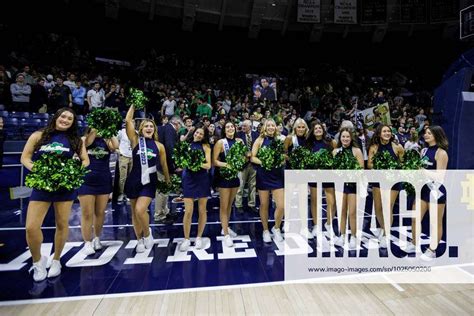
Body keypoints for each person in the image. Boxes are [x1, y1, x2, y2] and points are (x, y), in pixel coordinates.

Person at [21, 108, 90, 281]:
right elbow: (25, 158)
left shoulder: (75, 140)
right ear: (56, 117)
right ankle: (37, 262)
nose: (65, 120)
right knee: (31, 227)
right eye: (63, 116)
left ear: (73, 122)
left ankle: (57, 259)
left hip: (64, 188)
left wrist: (72, 173)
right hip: (42, 186)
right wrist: (40, 171)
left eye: (69, 118)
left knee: (61, 224)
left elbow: (85, 160)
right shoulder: (39, 135)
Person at [124, 104, 170, 253]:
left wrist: (168, 180)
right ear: (141, 129)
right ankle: (139, 240)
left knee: (140, 210)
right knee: (134, 212)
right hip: (133, 180)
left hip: (149, 182)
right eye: (146, 126)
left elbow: (164, 165)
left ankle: (148, 234)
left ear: (154, 129)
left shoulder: (159, 146)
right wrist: (133, 105)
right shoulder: (136, 140)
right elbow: (128, 120)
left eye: (151, 126)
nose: (149, 128)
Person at [406, 126, 448, 258]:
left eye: (429, 133)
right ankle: (414, 242)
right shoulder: (423, 150)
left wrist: (422, 171)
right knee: (414, 218)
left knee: (435, 223)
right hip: (423, 190)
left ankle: (432, 250)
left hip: (436, 192)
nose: (426, 135)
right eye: (425, 133)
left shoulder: (441, 153)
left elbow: (440, 177)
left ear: (437, 135)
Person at [78, 128, 118, 255]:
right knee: (87, 213)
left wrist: (109, 129)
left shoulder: (106, 141)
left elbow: (116, 145)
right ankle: (87, 242)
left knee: (100, 212)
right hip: (86, 180)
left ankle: (97, 238)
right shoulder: (84, 139)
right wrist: (96, 128)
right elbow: (88, 143)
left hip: (103, 179)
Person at [368, 124, 404, 248]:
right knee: (378, 208)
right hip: (378, 180)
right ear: (379, 133)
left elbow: (403, 164)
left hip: (393, 182)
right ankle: (383, 228)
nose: (387, 133)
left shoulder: (398, 147)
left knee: (387, 207)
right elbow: (369, 165)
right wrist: (381, 167)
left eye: (388, 131)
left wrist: (393, 169)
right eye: (384, 131)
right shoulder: (374, 147)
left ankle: (386, 234)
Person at [251, 119, 285, 243]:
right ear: (265, 127)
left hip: (277, 176)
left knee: (281, 205)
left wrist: (279, 160)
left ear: (276, 127)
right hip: (263, 175)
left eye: (273, 125)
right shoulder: (259, 140)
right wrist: (264, 162)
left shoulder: (281, 139)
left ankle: (276, 228)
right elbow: (252, 157)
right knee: (264, 204)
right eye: (268, 125)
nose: (271, 127)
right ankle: (265, 230)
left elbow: (285, 156)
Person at [180, 126, 212, 251]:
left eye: (201, 134)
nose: (198, 135)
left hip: (202, 179)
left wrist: (195, 163)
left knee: (202, 210)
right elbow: (181, 162)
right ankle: (186, 239)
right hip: (188, 179)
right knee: (188, 211)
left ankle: (199, 237)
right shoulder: (186, 145)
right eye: (197, 132)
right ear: (194, 132)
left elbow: (208, 165)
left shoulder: (206, 147)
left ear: (204, 136)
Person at [212, 121, 244, 247]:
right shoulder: (220, 143)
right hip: (223, 177)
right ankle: (225, 234)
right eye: (227, 127)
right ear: (224, 130)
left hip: (234, 177)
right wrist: (227, 165)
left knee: (230, 205)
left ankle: (225, 227)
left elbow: (243, 157)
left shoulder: (239, 141)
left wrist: (243, 159)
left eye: (232, 127)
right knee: (224, 206)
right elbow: (214, 161)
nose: (230, 128)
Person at [333, 128, 364, 249]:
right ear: (340, 138)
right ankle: (342, 235)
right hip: (340, 185)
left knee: (352, 212)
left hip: (353, 185)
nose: (345, 139)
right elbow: (333, 169)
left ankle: (354, 236)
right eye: (343, 137)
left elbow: (361, 168)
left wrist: (351, 173)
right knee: (341, 211)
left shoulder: (357, 151)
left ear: (351, 139)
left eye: (347, 137)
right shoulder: (335, 151)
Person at [306, 122, 337, 237]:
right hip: (314, 175)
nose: (318, 130)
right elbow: (306, 160)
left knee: (332, 202)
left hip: (328, 175)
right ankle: (316, 225)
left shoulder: (331, 142)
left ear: (323, 130)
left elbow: (337, 157)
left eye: (320, 128)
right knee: (314, 201)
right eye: (316, 128)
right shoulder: (308, 144)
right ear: (312, 131)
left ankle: (329, 224)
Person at [155, 116, 181, 221]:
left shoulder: (165, 128)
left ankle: (164, 211)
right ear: (176, 122)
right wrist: (174, 166)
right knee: (162, 190)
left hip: (163, 163)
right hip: (164, 164)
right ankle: (159, 215)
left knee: (165, 189)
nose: (180, 127)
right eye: (180, 124)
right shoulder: (170, 129)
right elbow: (170, 148)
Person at [235, 120, 258, 214]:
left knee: (252, 185)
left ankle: (251, 204)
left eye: (245, 126)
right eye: (242, 126)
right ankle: (238, 205)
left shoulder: (257, 135)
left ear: (250, 126)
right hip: (242, 164)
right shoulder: (238, 135)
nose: (243, 127)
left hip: (253, 164)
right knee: (240, 185)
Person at [117, 126, 133, 203]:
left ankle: (128, 193)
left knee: (131, 177)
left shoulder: (136, 132)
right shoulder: (121, 132)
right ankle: (121, 193)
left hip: (132, 156)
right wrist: (118, 151)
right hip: (123, 156)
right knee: (122, 177)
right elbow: (116, 142)